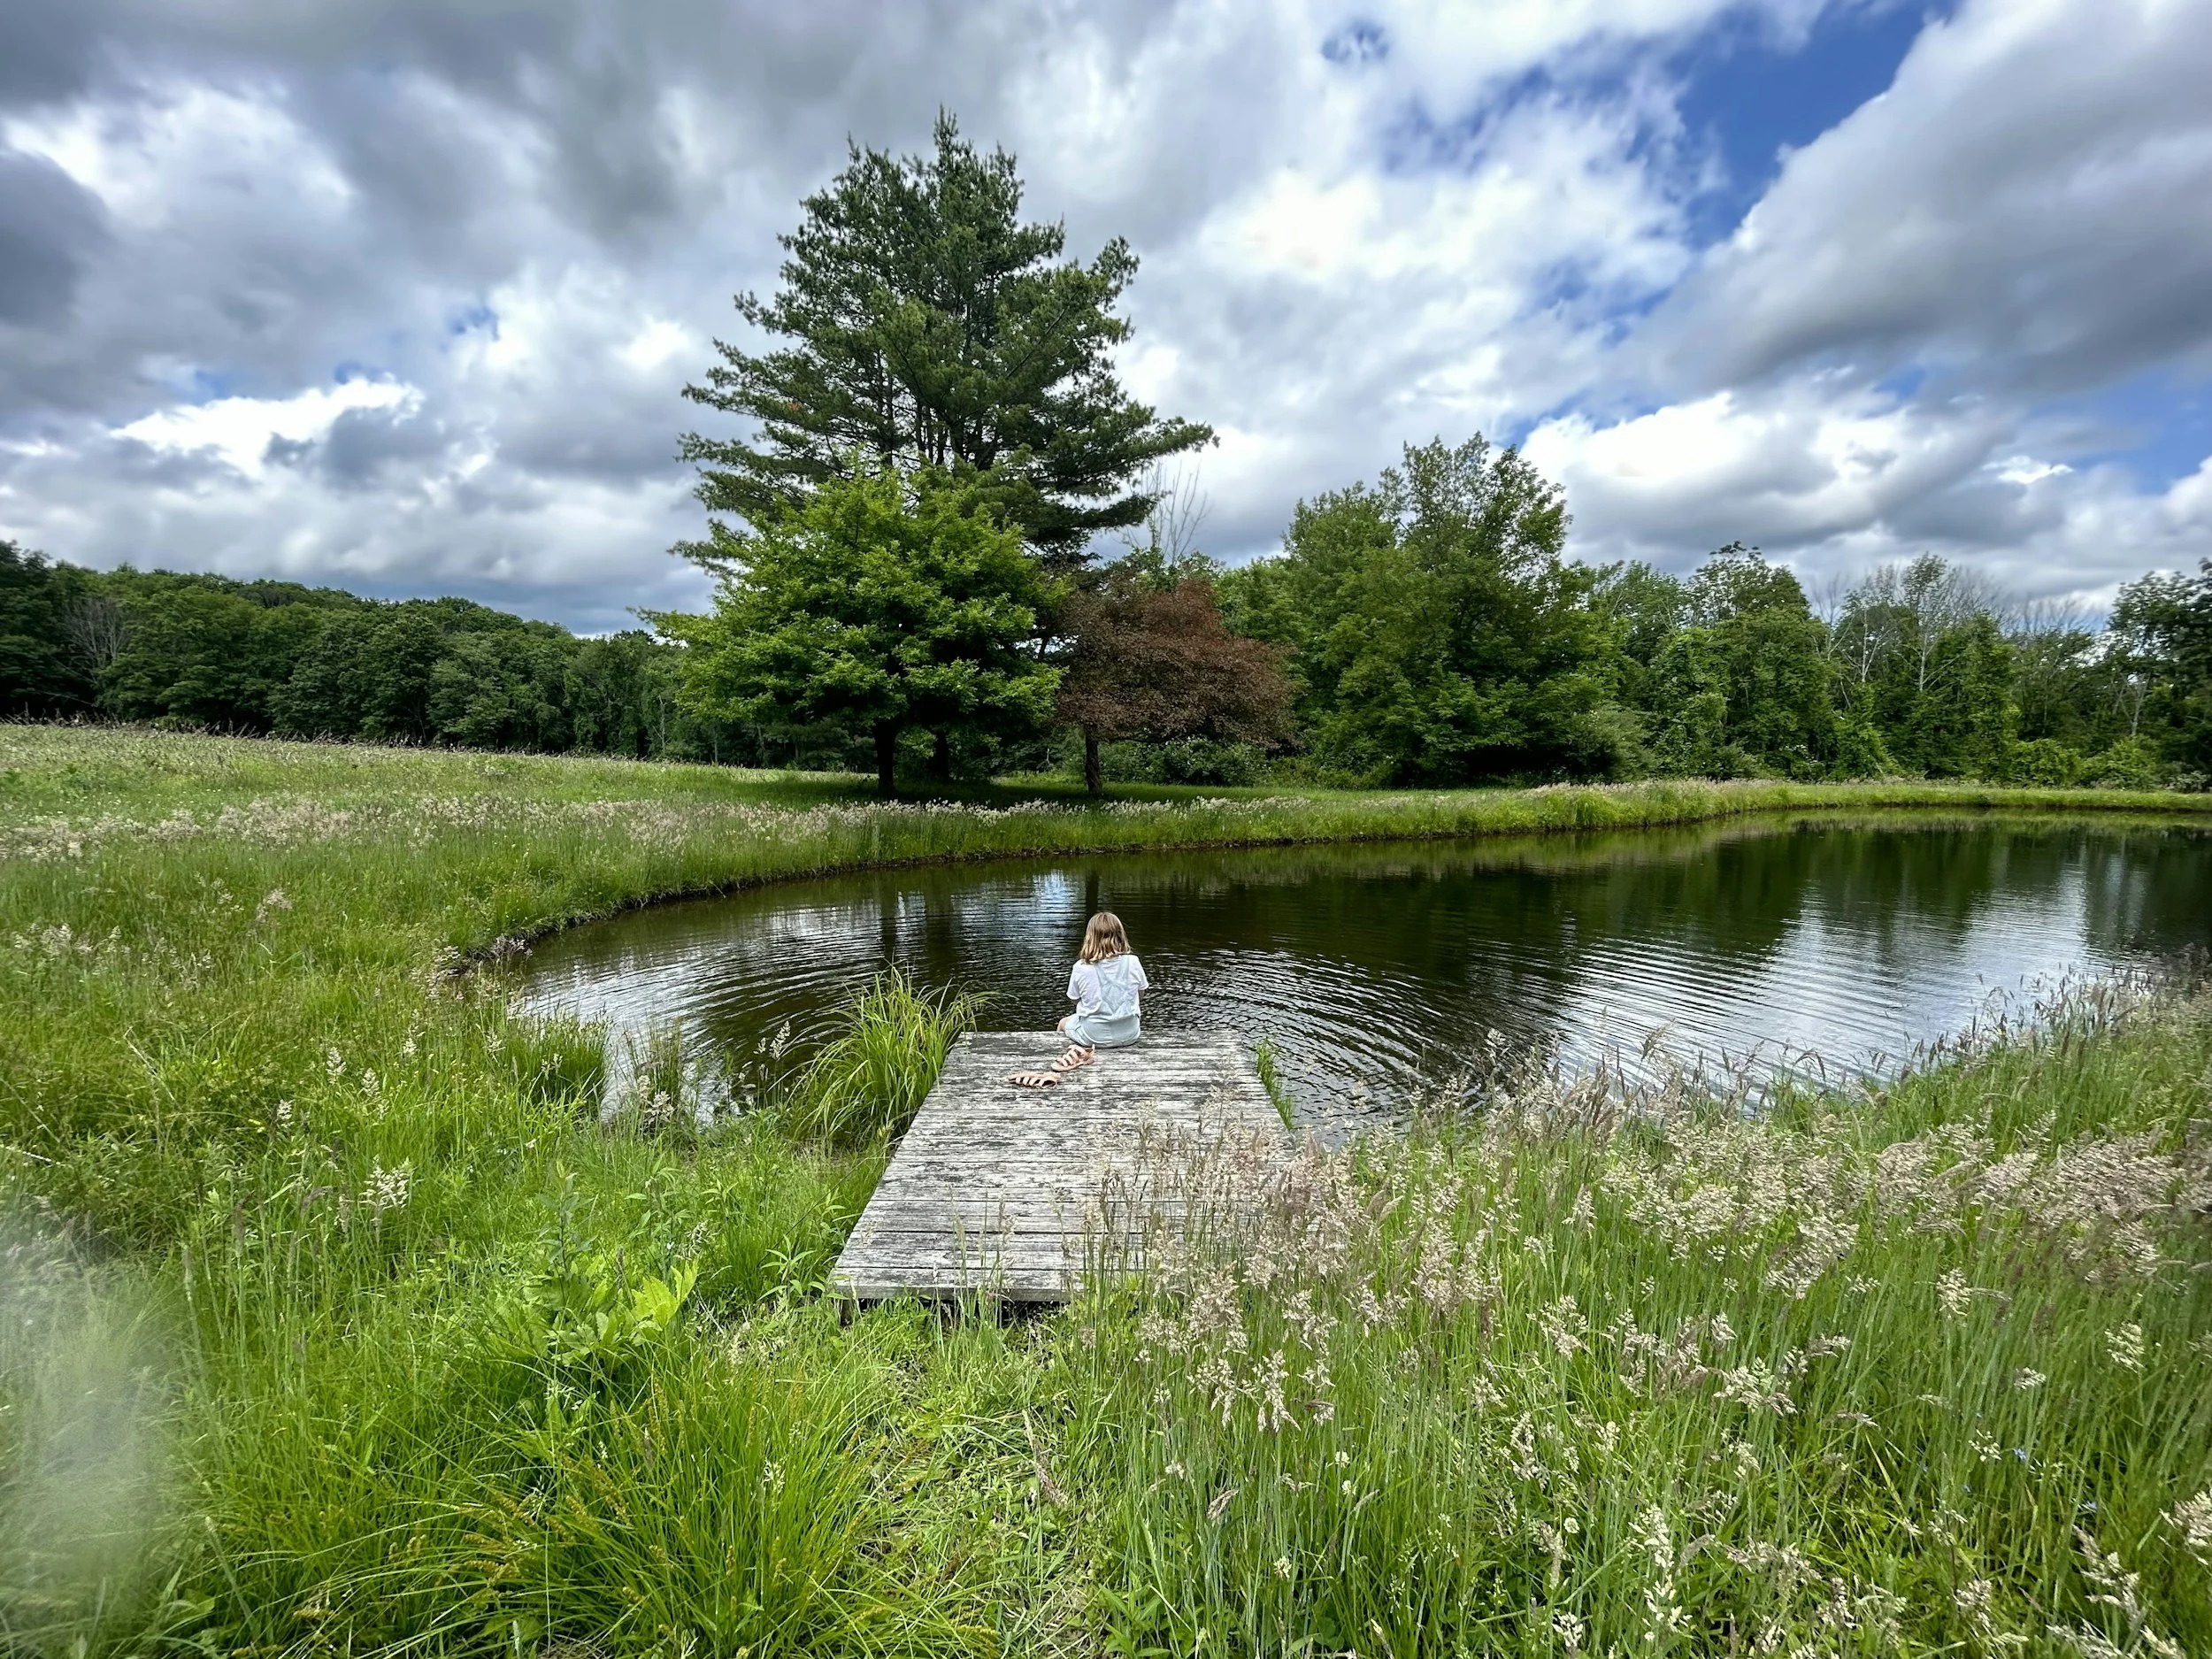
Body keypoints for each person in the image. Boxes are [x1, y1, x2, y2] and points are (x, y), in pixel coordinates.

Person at [1010, 910, 1148, 1088]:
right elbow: (1141, 994)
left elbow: (1075, 1000)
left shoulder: (1082, 967)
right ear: (1121, 936)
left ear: (1090, 937)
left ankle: (1070, 1055)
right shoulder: (1133, 962)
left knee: (1063, 1022)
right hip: (1130, 1033)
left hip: (1094, 1036)